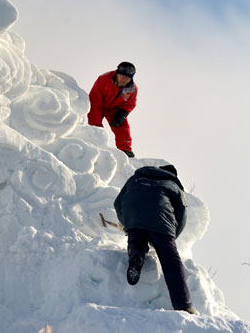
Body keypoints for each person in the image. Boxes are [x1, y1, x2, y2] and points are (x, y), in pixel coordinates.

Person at [114, 164, 197, 315]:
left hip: (133, 214)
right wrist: (171, 236)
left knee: (136, 240)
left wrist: (128, 223)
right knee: (170, 259)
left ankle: (136, 256)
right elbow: (182, 213)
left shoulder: (136, 178)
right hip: (160, 220)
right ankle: (184, 305)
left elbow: (118, 202)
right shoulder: (173, 185)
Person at [88, 61, 137, 158]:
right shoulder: (104, 79)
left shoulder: (132, 89)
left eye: (127, 78)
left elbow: (130, 103)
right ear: (117, 73)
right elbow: (95, 98)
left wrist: (122, 114)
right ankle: (96, 142)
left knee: (123, 127)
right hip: (99, 103)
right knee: (95, 121)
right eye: (122, 76)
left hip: (115, 108)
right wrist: (96, 119)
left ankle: (125, 150)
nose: (124, 79)